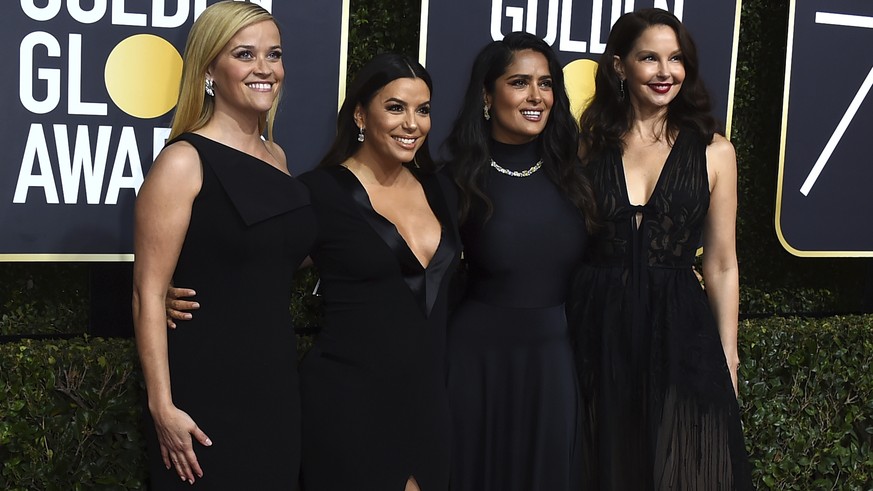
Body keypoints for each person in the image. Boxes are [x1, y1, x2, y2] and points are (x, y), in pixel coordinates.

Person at [166, 53, 460, 490]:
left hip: (429, 402)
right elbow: (258, 261)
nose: (411, 123)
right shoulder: (318, 192)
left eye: (423, 110)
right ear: (361, 113)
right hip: (349, 402)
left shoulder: (443, 188)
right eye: (395, 107)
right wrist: (171, 289)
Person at [132, 2, 314, 488]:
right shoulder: (183, 162)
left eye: (273, 55)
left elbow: (274, 258)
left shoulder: (278, 157)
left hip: (276, 385)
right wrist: (162, 407)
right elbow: (147, 293)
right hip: (204, 390)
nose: (264, 69)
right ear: (209, 69)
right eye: (245, 54)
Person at [570, 8, 753, 489]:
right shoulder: (586, 146)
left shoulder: (715, 152)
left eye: (676, 59)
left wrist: (728, 356)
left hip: (679, 329)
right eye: (649, 58)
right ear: (618, 66)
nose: (665, 72)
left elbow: (721, 263)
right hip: (595, 325)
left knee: (685, 469)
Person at [441, 32, 598, 491]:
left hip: (554, 362)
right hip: (476, 362)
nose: (536, 97)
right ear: (487, 95)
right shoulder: (455, 180)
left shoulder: (574, 175)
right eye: (519, 83)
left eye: (546, 84)